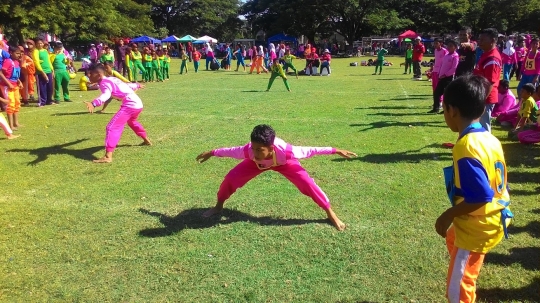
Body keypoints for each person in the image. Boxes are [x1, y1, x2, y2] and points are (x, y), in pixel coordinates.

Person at [436, 73, 512, 303]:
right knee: (452, 238)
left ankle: (465, 265)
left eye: (444, 109)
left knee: (457, 289)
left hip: (478, 226)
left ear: (452, 110)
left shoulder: (467, 147)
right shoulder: (489, 138)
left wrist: (447, 214)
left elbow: (480, 196)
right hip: (497, 215)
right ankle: (463, 258)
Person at [195, 124, 357, 231]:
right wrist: (212, 152)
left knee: (308, 183)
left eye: (260, 149)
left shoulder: (287, 152)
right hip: (255, 165)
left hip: (284, 163)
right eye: (253, 147)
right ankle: (218, 206)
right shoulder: (249, 152)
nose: (255, 152)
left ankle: (330, 213)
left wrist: (335, 150)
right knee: (231, 178)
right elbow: (230, 151)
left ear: (271, 148)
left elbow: (311, 150)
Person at [84, 63, 151, 163]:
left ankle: (108, 157)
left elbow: (106, 95)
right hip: (138, 104)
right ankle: (146, 140)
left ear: (98, 74)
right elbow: (125, 85)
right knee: (132, 122)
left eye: (90, 74)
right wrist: (136, 85)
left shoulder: (104, 82)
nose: (88, 76)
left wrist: (94, 103)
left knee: (112, 127)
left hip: (130, 104)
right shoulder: (111, 79)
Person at [473, 28, 502, 132]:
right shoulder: (486, 53)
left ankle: (487, 147)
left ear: (493, 40)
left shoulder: (493, 59)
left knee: (484, 126)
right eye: (479, 39)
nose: (479, 42)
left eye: (483, 40)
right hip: (481, 95)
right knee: (478, 124)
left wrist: (482, 98)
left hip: (486, 97)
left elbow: (490, 82)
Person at [428, 40, 459, 113]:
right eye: (448, 45)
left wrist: (445, 75)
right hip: (441, 77)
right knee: (436, 92)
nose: (449, 47)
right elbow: (441, 65)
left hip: (448, 78)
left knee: (447, 94)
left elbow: (454, 68)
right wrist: (439, 73)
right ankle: (436, 108)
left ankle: (446, 109)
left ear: (455, 47)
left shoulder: (455, 56)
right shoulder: (446, 55)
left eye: (451, 46)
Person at [1, 46, 23, 130]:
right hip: (7, 86)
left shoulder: (16, 62)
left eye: (20, 53)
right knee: (10, 104)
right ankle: (11, 125)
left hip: (15, 85)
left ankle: (16, 122)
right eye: (17, 53)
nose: (19, 55)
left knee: (17, 102)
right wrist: (8, 83)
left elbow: (15, 75)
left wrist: (19, 81)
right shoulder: (7, 61)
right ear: (10, 53)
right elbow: (1, 73)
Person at [33, 39, 54, 107]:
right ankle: (42, 102)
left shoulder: (45, 51)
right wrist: (42, 72)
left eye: (41, 43)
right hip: (41, 72)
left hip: (49, 71)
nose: (40, 45)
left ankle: (49, 100)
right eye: (38, 43)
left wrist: (52, 70)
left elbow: (48, 61)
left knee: (50, 87)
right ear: (36, 44)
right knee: (42, 87)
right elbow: (36, 62)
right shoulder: (36, 51)